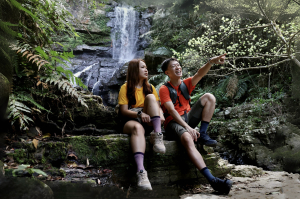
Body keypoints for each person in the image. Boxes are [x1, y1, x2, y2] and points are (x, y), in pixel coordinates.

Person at [159, 54, 233, 194]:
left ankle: (203, 134)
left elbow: (200, 73)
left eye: (178, 65)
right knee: (187, 138)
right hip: (173, 123)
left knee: (209, 97)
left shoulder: (186, 84)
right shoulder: (164, 89)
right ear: (167, 73)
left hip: (188, 118)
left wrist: (211, 62)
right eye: (173, 66)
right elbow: (171, 111)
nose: (178, 67)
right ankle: (213, 181)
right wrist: (187, 128)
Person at [118, 59, 165, 190]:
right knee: (137, 128)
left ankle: (157, 135)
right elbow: (123, 111)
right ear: (134, 70)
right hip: (130, 120)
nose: (146, 70)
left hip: (148, 120)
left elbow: (158, 107)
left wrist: (160, 116)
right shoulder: (125, 87)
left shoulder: (150, 88)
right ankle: (141, 172)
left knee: (150, 97)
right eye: (142, 67)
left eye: (146, 67)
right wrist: (139, 114)